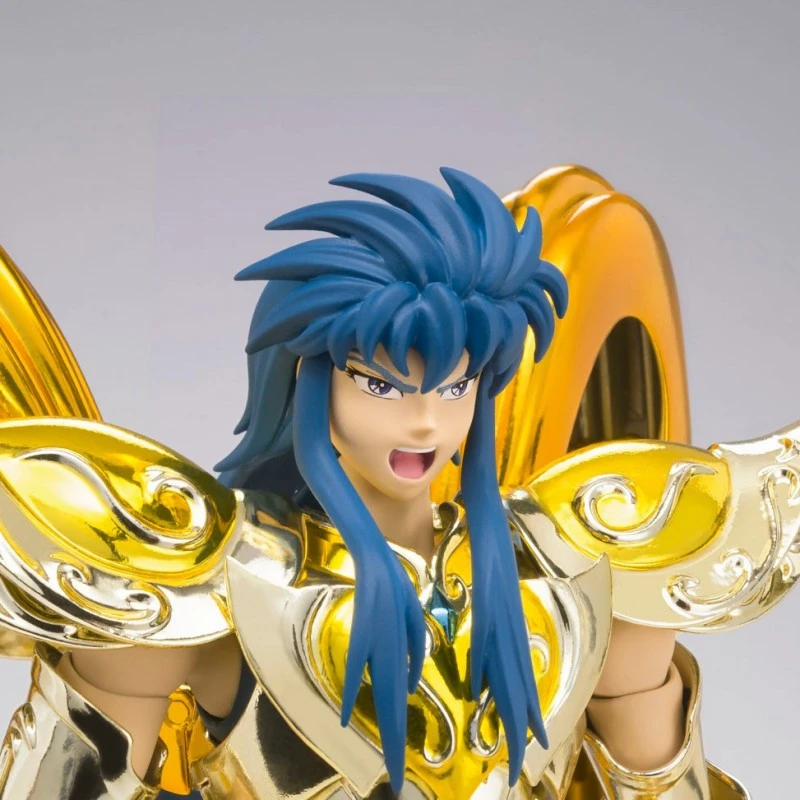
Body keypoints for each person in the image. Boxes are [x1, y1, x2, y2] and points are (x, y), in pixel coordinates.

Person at [0, 167, 793, 798]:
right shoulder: (221, 582)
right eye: (380, 385)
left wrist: (641, 676)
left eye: (455, 386)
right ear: (308, 383)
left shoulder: (573, 568)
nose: (424, 423)